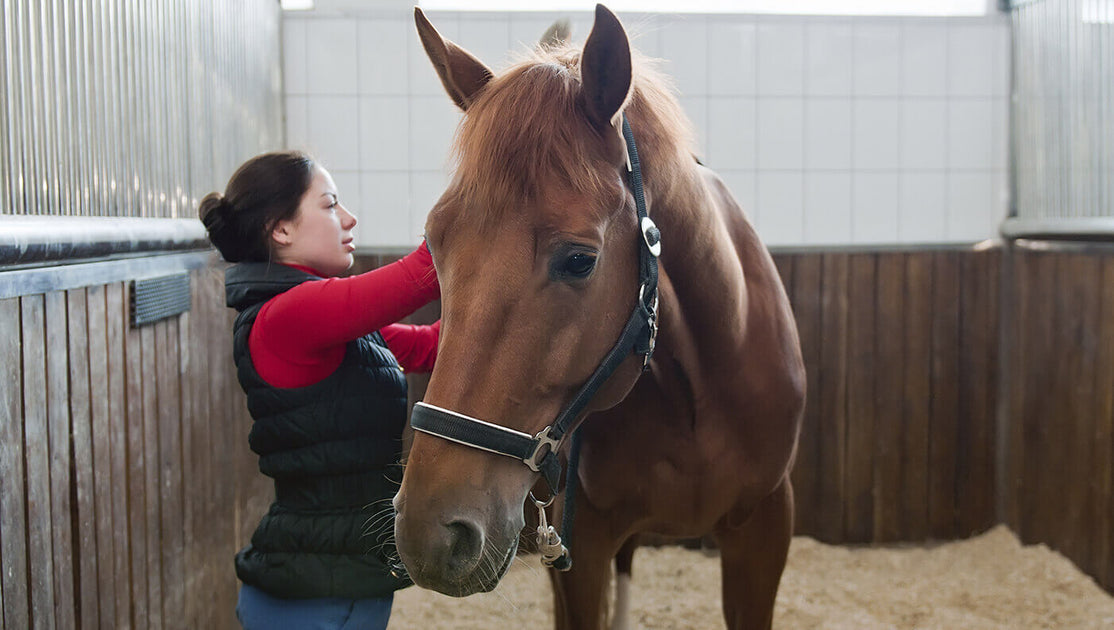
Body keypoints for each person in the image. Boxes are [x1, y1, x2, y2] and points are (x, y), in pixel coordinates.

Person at [198, 150, 439, 629]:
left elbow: (430, 349)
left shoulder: (324, 323)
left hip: (332, 582)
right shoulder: (291, 314)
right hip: (314, 602)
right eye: (330, 205)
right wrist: (489, 198)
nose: (350, 218)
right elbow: (416, 278)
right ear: (280, 229)